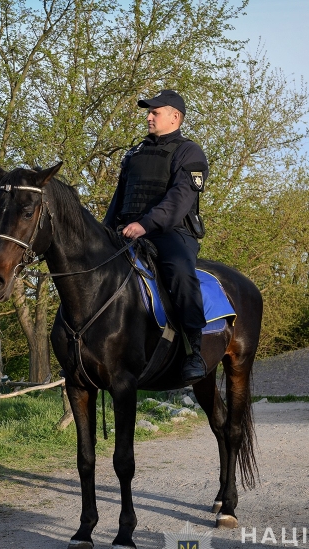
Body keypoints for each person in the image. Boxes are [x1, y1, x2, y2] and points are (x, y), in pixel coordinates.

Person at [103, 89, 209, 383]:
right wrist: (103, 232)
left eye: (155, 112)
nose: (149, 117)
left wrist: (145, 224)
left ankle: (193, 350)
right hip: (127, 231)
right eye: (148, 112)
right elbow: (118, 199)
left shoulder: (189, 152)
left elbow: (179, 200)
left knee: (181, 272)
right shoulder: (134, 153)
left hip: (170, 232)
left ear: (175, 117)